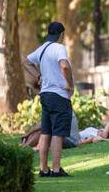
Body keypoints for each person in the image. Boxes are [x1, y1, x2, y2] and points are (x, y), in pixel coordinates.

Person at [22, 21, 73, 177]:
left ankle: (43, 169)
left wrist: (38, 76)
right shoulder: (59, 48)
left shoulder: (42, 48)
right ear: (62, 35)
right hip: (59, 95)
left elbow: (26, 62)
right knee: (58, 133)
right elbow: (64, 66)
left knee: (46, 132)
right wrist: (69, 84)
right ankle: (56, 170)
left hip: (45, 95)